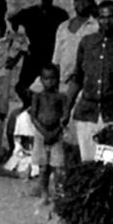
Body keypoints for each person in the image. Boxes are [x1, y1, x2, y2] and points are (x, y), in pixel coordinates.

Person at [63, 0, 113, 163]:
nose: (106, 21)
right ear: (97, 19)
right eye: (102, 17)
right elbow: (77, 78)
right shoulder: (87, 43)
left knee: (110, 163)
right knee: (88, 162)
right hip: (87, 112)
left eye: (110, 17)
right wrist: (67, 109)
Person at [10, 0, 69, 107]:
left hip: (50, 57)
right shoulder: (30, 13)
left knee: (49, 89)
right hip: (32, 57)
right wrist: (21, 44)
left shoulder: (60, 15)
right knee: (23, 88)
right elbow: (10, 23)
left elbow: (65, 35)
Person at [28, 63, 68, 206]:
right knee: (43, 167)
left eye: (52, 79)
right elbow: (33, 116)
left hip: (56, 135)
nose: (49, 82)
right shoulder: (38, 96)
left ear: (57, 79)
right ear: (41, 80)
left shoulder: (61, 97)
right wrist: (44, 132)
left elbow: (65, 117)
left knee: (58, 168)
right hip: (41, 134)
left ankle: (58, 195)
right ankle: (44, 194)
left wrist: (56, 132)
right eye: (45, 79)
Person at [50, 0, 98, 96]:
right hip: (62, 82)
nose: (80, 3)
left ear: (91, 3)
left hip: (84, 84)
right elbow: (56, 59)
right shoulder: (63, 27)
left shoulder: (96, 28)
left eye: (85, 0)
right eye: (77, 0)